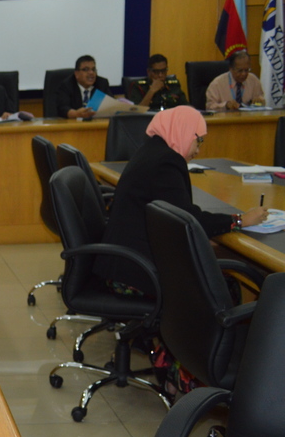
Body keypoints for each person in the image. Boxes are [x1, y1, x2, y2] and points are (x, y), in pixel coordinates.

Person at [96, 106, 268, 295]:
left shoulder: (152, 151)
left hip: (126, 264)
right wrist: (241, 220)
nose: (198, 150)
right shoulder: (166, 162)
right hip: (138, 273)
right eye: (198, 140)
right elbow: (189, 220)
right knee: (225, 285)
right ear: (183, 130)